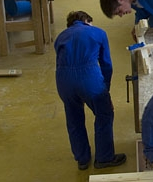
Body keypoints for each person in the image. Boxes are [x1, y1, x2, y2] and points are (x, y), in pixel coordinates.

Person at [54, 11, 126, 170]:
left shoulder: (60, 36)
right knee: (104, 113)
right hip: (88, 77)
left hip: (63, 80)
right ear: (86, 20)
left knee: (73, 118)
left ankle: (82, 159)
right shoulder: (98, 33)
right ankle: (104, 158)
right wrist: (105, 92)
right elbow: (106, 65)